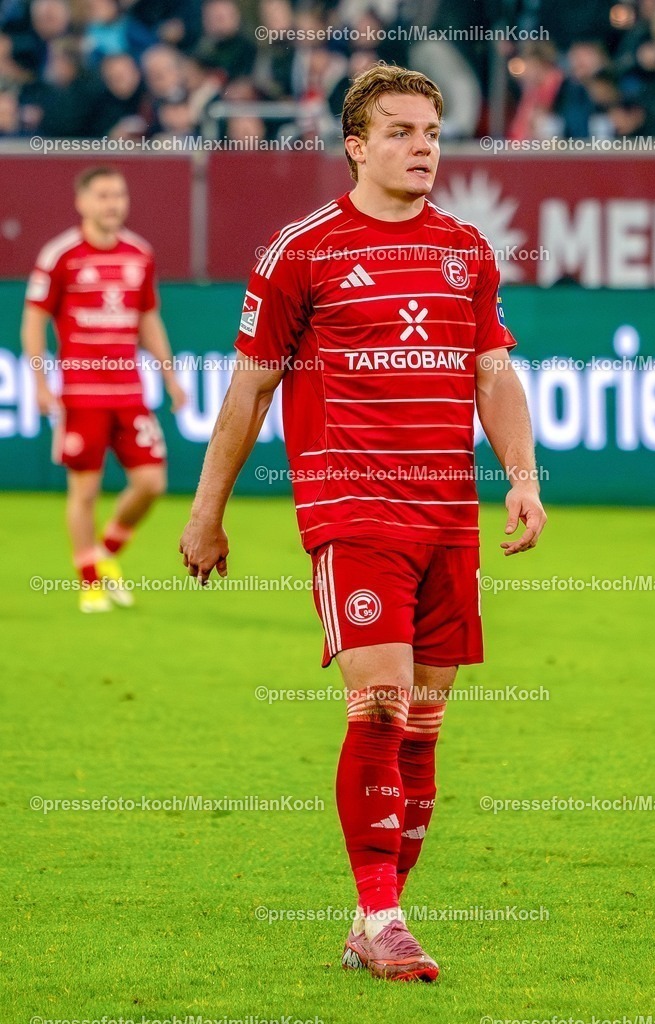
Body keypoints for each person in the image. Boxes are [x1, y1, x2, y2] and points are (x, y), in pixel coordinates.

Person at [179, 62, 546, 982]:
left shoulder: (464, 250)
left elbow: (490, 373)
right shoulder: (299, 250)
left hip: (446, 521)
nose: (422, 147)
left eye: (430, 132)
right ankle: (381, 914)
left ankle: (377, 913)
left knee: (423, 727)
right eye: (400, 132)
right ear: (355, 145)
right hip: (352, 511)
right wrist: (207, 511)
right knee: (378, 706)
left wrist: (521, 477)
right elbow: (251, 389)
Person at [22, 166, 187, 613]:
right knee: (85, 492)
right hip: (81, 395)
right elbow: (34, 318)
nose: (112, 204)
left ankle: (107, 553)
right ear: (82, 203)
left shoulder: (139, 254)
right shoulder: (60, 255)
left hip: (130, 392)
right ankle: (90, 582)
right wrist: (39, 380)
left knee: (152, 482)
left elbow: (147, 318)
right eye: (103, 196)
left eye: (118, 196)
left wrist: (169, 374)